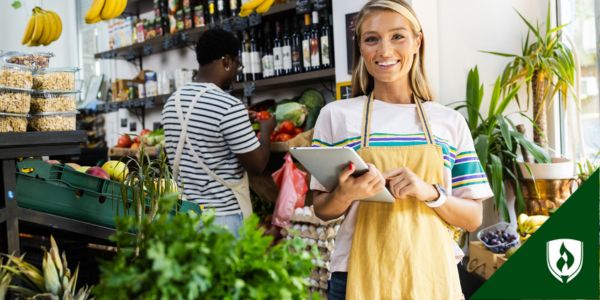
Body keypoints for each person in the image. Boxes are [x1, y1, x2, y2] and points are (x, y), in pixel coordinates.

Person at [310, 1, 494, 299]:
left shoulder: (448, 122)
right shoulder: (336, 116)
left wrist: (430, 193)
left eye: (397, 36)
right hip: (355, 272)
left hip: (432, 274)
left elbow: (472, 217)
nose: (384, 51)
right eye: (372, 39)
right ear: (361, 47)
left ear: (417, 41)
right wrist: (347, 193)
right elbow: (322, 209)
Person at [161, 29, 275, 237]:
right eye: (237, 65)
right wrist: (266, 131)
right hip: (223, 221)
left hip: (184, 218)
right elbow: (257, 165)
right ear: (227, 61)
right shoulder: (228, 106)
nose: (236, 72)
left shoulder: (172, 103)